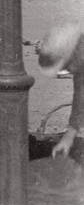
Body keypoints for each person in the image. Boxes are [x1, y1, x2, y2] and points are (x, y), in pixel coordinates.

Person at [36, 23, 84, 159]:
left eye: (66, 65)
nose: (68, 70)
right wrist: (69, 136)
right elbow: (80, 98)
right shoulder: (80, 63)